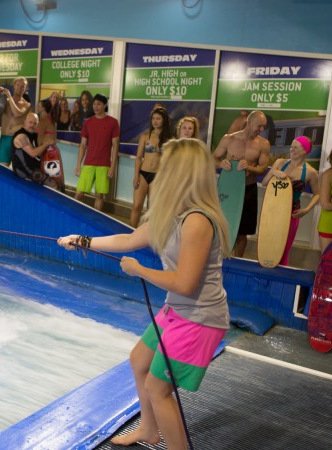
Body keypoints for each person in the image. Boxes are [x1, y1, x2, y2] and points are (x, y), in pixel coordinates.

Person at [58, 138, 230, 450]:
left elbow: (185, 283)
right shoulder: (173, 213)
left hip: (200, 319)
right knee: (139, 360)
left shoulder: (197, 222)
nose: (160, 172)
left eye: (167, 167)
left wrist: (140, 271)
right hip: (178, 310)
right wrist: (82, 240)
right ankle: (150, 431)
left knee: (157, 388)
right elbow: (128, 239)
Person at [212, 110, 271, 257]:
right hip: (228, 189)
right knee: (222, 226)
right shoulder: (229, 139)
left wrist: (249, 167)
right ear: (249, 122)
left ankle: (238, 261)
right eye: (259, 126)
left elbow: (263, 168)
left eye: (264, 127)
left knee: (242, 231)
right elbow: (213, 158)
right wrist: (221, 164)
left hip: (248, 189)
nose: (262, 130)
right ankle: (219, 258)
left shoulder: (263, 144)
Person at [261, 136, 320, 266]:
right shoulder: (280, 163)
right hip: (271, 211)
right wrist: (274, 172)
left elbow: (318, 194)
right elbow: (265, 182)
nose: (291, 150)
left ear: (305, 151)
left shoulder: (310, 172)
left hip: (291, 213)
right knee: (266, 246)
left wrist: (306, 210)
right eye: (291, 147)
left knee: (283, 249)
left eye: (296, 148)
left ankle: (280, 281)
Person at [74, 94, 120, 211]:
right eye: (94, 104)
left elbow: (115, 146)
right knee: (79, 193)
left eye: (99, 104)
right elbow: (83, 145)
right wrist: (79, 164)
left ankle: (95, 221)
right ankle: (72, 215)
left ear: (105, 105)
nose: (96, 106)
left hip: (104, 164)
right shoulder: (88, 123)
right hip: (89, 162)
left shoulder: (113, 123)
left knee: (99, 195)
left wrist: (113, 166)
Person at [131, 107, 173, 227]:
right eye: (153, 118)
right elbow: (139, 157)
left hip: (157, 176)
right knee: (136, 206)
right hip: (143, 174)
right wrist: (136, 176)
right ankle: (130, 232)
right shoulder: (145, 136)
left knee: (151, 209)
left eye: (158, 119)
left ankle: (145, 237)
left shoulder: (169, 139)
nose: (155, 121)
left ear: (164, 120)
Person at [0, 77, 31, 166]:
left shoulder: (26, 104)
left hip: (18, 140)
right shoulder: (5, 101)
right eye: (18, 85)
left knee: (18, 170)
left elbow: (17, 113)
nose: (20, 87)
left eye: (22, 86)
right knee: (2, 169)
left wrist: (8, 96)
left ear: (25, 88)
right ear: (14, 86)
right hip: (5, 138)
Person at [11, 112, 50, 184]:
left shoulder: (34, 135)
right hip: (23, 170)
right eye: (30, 122)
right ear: (25, 122)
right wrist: (47, 144)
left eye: (35, 123)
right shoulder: (21, 136)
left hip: (33, 167)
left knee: (51, 174)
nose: (32, 125)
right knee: (52, 184)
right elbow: (33, 153)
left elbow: (39, 153)